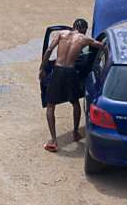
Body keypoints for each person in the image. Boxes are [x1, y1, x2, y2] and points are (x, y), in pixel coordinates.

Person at [42, 22, 103, 152]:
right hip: (71, 71)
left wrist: (42, 68)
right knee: (75, 102)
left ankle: (53, 140)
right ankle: (75, 132)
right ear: (84, 29)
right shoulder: (84, 39)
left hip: (58, 70)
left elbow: (48, 50)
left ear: (73, 26)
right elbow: (101, 46)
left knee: (50, 105)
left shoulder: (62, 34)